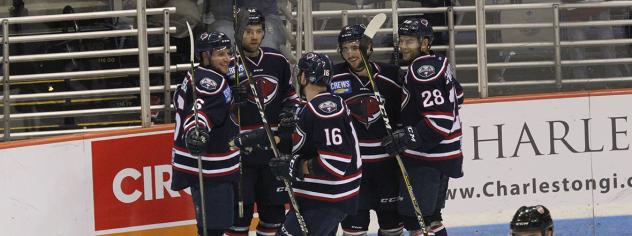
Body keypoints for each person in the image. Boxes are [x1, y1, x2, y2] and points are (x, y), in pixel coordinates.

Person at [381, 18, 464, 236]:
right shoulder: (439, 62)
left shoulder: (423, 70)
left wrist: (407, 136)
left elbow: (440, 121)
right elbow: (459, 95)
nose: (403, 46)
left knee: (414, 220)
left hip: (429, 156)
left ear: (425, 43)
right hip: (444, 155)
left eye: (410, 42)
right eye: (402, 41)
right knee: (432, 218)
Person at [225, 7, 301, 236]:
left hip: (273, 150)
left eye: (258, 31)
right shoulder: (227, 63)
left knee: (273, 216)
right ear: (239, 33)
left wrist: (290, 111)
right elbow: (214, 108)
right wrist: (230, 99)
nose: (254, 36)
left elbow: (291, 96)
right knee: (239, 218)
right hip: (240, 153)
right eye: (248, 31)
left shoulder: (277, 61)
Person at [330, 24, 404, 236]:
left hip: (387, 166)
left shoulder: (391, 76)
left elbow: (407, 112)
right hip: (353, 168)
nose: (351, 54)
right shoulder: (332, 78)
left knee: (392, 228)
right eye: (346, 49)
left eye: (355, 47)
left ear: (369, 47)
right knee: (354, 228)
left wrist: (402, 133)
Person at [170, 31, 241, 236]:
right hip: (210, 167)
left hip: (197, 164)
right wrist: (196, 131)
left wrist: (233, 97)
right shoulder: (212, 82)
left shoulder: (196, 73)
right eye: (221, 54)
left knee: (208, 225)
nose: (227, 59)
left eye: (228, 53)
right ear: (205, 56)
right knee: (215, 228)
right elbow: (199, 113)